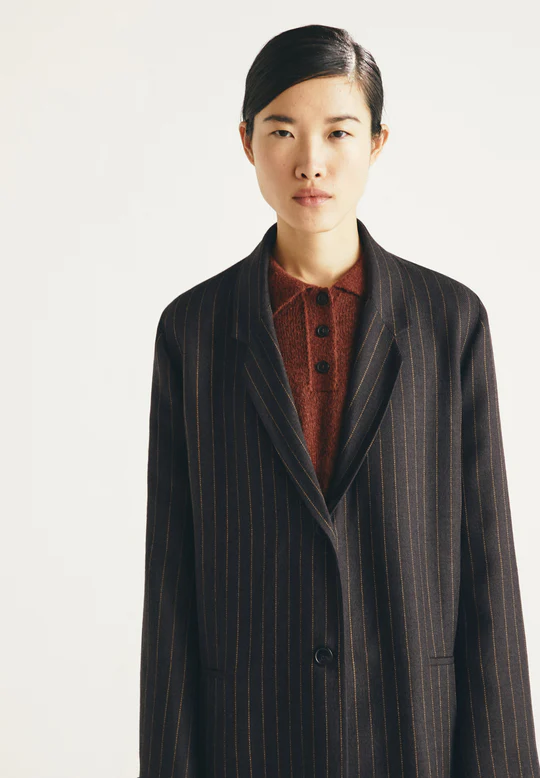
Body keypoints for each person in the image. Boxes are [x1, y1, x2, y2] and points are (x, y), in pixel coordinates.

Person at [138, 23, 540, 778]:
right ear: (246, 142)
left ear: (377, 144)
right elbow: (171, 582)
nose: (310, 161)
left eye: (339, 131)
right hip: (251, 738)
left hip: (413, 731)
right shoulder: (193, 331)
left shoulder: (449, 322)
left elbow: (488, 569)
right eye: (282, 130)